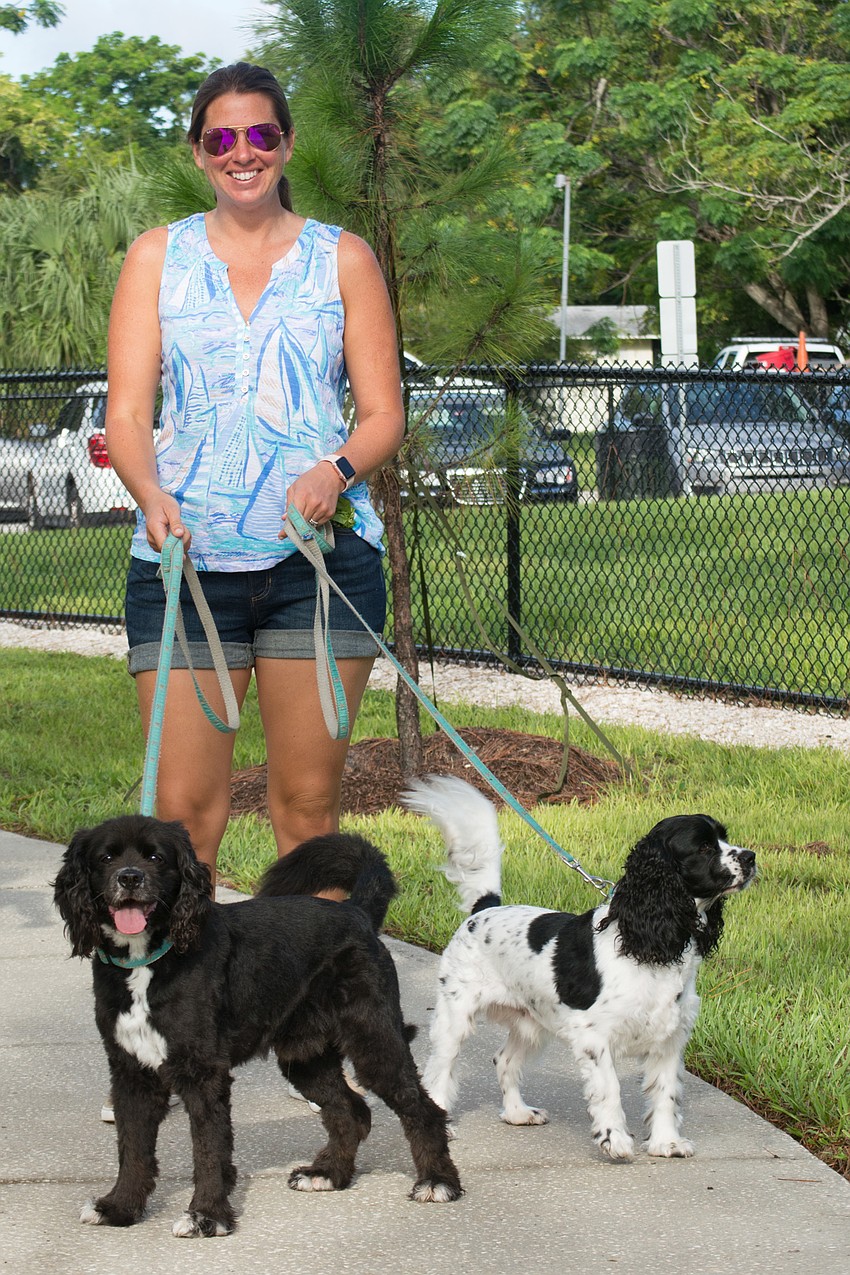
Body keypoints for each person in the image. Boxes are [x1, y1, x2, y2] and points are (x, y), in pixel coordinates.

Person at [106, 62, 405, 891]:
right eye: (223, 139)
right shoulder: (156, 257)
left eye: (261, 134)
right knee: (181, 822)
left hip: (317, 568)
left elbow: (383, 414)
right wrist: (150, 495)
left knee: (307, 815)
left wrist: (335, 470)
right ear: (199, 153)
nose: (243, 153)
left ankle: (320, 977)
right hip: (184, 568)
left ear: (287, 144)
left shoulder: (342, 258)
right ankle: (191, 980)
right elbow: (127, 415)